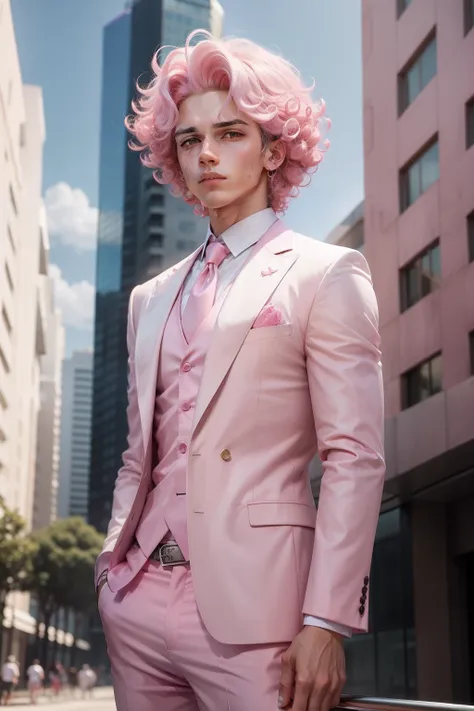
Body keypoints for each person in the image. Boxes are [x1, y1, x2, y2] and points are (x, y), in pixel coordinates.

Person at [96, 29, 385, 711]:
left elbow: (355, 457)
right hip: (135, 606)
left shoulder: (327, 273)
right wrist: (109, 572)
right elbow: (142, 455)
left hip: (260, 618)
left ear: (274, 148)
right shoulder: (149, 297)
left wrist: (326, 620)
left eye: (229, 133)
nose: (207, 155)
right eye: (190, 141)